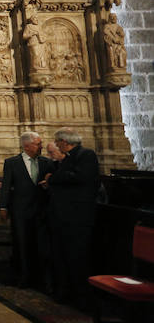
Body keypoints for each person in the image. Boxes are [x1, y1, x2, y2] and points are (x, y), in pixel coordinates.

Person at [44, 127, 100, 307]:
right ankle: (66, 292)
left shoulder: (86, 155)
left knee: (78, 256)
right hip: (63, 216)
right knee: (63, 255)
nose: (57, 145)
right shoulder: (68, 158)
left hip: (77, 216)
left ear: (65, 142)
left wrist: (52, 178)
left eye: (58, 142)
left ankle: (80, 296)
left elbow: (80, 178)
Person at [0, 131, 54, 289]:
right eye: (38, 144)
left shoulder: (46, 162)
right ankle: (24, 276)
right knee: (22, 245)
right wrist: (3, 206)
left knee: (41, 245)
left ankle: (42, 279)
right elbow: (6, 187)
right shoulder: (12, 162)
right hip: (20, 211)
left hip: (41, 210)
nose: (41, 146)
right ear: (27, 145)